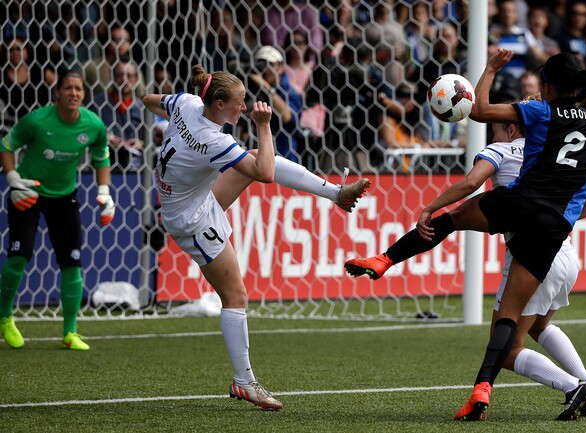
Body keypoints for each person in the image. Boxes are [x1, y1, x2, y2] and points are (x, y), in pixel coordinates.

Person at [345, 50, 586, 421]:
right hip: (556, 235)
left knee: (451, 222)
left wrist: (490, 69)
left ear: (548, 86)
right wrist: (562, 210)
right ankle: (558, 383)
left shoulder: (531, 120)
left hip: (521, 205)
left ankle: (386, 259)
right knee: (532, 324)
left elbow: (479, 116)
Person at [142, 64, 370, 411]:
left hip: (188, 200)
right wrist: (265, 126)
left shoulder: (187, 103)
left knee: (250, 157)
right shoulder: (213, 140)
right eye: (240, 102)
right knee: (236, 296)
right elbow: (265, 174)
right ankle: (244, 382)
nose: (245, 108)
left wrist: (170, 117)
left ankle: (336, 194)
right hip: (194, 219)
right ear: (218, 104)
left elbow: (148, 99)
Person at [0, 70, 114, 351]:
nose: (73, 93)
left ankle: (70, 332)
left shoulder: (94, 125)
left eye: (78, 89)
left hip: (65, 197)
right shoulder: (37, 121)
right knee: (19, 257)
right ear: (57, 93)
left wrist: (104, 192)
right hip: (28, 194)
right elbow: (6, 145)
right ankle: (4, 317)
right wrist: (13, 179)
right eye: (68, 88)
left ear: (83, 95)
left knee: (72, 263)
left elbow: (102, 156)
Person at [87, 60, 146, 170]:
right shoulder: (96, 104)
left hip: (137, 168)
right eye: (119, 75)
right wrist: (103, 138)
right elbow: (86, 132)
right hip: (104, 164)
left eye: (129, 75)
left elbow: (152, 140)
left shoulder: (143, 108)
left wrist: (142, 144)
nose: (124, 79)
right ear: (112, 77)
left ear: (136, 79)